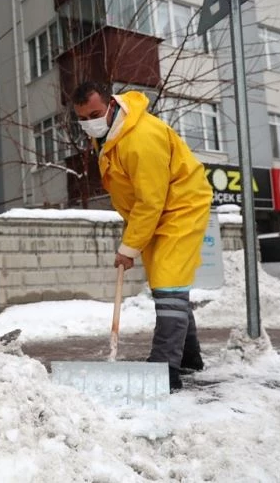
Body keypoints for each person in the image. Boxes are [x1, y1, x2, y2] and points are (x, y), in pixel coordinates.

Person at [72, 81, 213, 391]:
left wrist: (128, 248)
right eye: (82, 118)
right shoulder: (112, 134)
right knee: (168, 284)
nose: (89, 123)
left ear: (111, 105)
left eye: (94, 114)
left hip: (181, 207)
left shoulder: (141, 138)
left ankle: (165, 368)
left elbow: (150, 200)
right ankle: (189, 358)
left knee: (168, 283)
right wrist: (132, 237)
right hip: (155, 211)